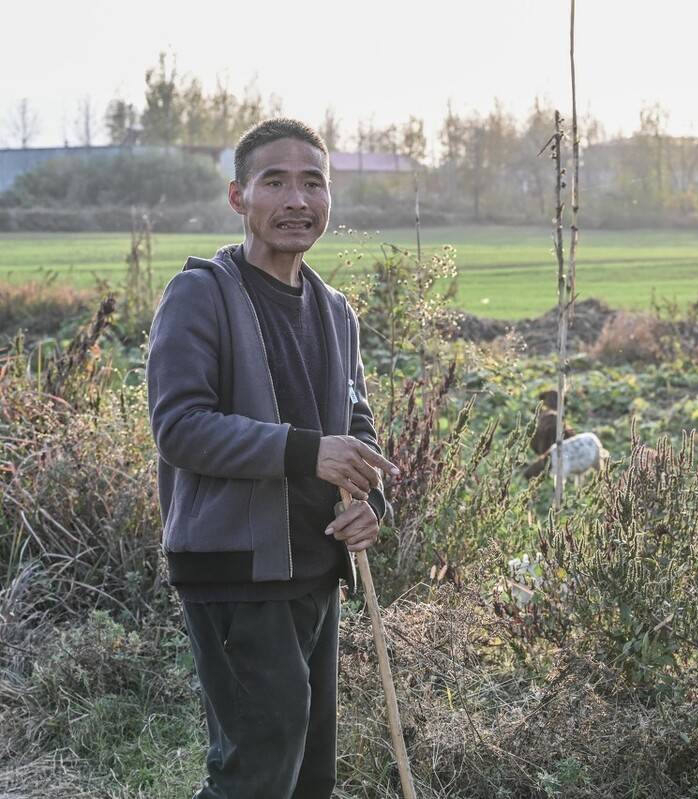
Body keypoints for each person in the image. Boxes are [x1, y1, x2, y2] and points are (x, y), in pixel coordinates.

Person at [146, 117, 398, 798]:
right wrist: (307, 452)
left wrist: (371, 506)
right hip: (235, 571)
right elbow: (181, 427)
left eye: (312, 183)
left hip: (314, 568)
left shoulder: (335, 310)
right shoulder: (199, 295)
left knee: (308, 775)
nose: (296, 200)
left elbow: (358, 430)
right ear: (238, 197)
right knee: (256, 770)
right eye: (275, 182)